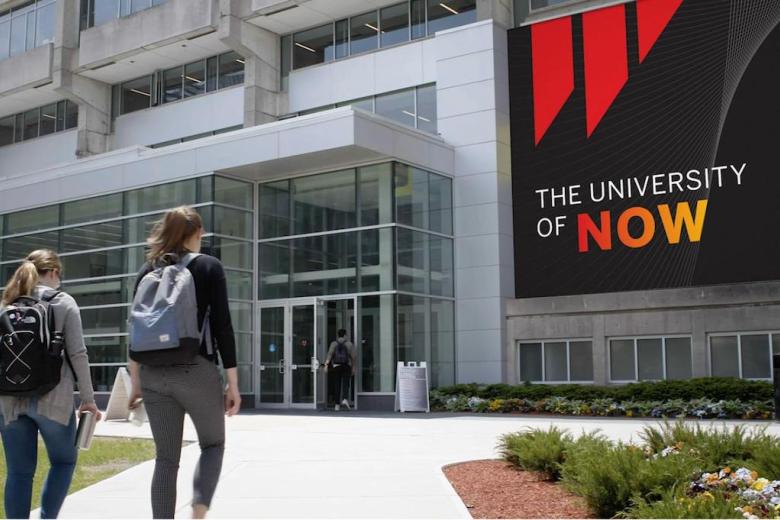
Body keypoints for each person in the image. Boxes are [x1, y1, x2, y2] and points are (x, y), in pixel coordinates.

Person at [127, 206, 240, 520]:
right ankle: (198, 513)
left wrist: (135, 381)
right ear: (198, 232)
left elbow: (134, 329)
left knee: (165, 460)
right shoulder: (208, 267)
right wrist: (233, 383)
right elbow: (223, 327)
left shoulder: (146, 270)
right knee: (213, 444)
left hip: (152, 375)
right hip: (195, 371)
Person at [0, 249, 100, 519]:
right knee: (64, 461)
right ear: (53, 272)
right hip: (53, 398)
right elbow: (78, 354)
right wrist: (89, 400)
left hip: (10, 402)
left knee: (19, 473)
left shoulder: (6, 304)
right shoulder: (64, 302)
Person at [324, 329, 356, 411]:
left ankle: (337, 404)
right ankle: (345, 398)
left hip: (336, 366)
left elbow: (329, 355)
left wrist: (326, 365)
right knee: (346, 383)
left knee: (337, 384)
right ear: (345, 335)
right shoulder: (349, 344)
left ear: (338, 335)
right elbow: (353, 357)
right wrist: (353, 367)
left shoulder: (334, 344)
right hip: (346, 366)